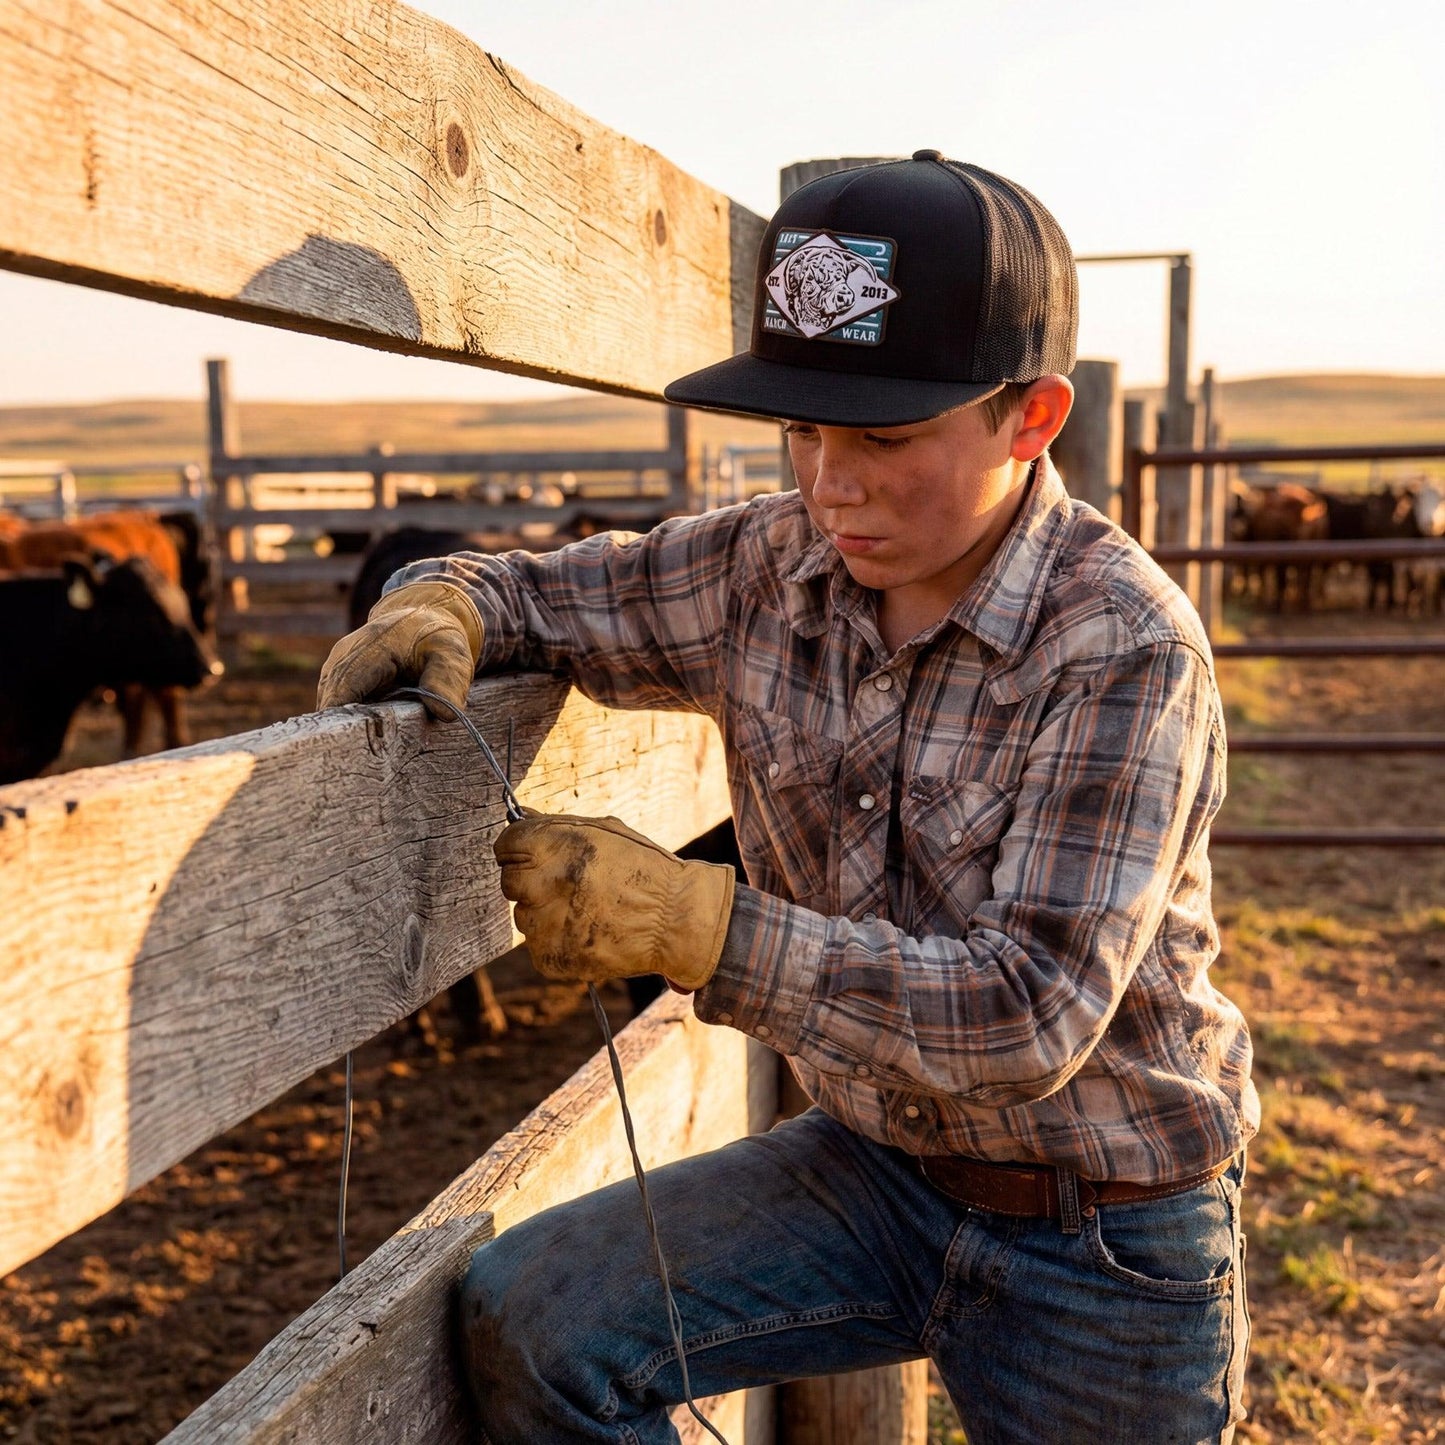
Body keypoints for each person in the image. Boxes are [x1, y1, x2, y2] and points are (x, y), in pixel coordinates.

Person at [317, 151, 1258, 1444]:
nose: (830, 484)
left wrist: (700, 929)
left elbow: (1029, 1014)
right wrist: (447, 600)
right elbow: (548, 593)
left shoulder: (1121, 646)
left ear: (1028, 418)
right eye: (801, 430)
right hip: (870, 1169)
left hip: (1098, 1224)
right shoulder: (765, 565)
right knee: (536, 1321)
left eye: (881, 436)